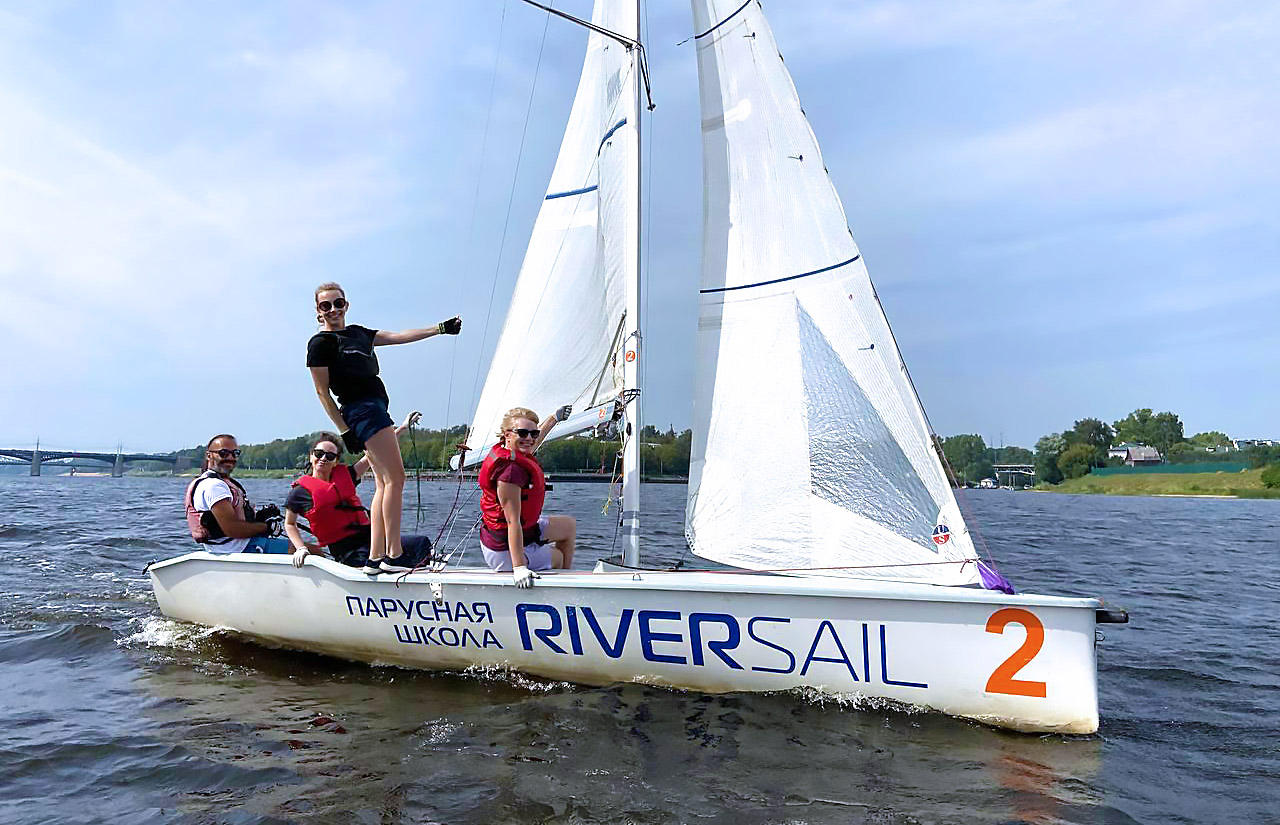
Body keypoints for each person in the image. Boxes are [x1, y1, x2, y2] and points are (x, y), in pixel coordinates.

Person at [306, 282, 460, 571]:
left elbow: (398, 336)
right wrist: (345, 431)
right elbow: (322, 393)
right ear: (318, 311)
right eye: (326, 306)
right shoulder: (320, 344)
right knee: (395, 480)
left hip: (375, 408)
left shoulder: (359, 334)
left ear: (346, 305)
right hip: (361, 411)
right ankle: (394, 554)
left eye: (338, 304)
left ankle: (376, 557)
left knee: (383, 484)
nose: (333, 310)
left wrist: (440, 328)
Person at [283, 420, 435, 574]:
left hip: (373, 541)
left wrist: (402, 428)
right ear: (311, 456)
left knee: (421, 544)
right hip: (349, 552)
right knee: (380, 562)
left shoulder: (347, 475)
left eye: (329, 456)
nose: (323, 458)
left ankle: (420, 582)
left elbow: (376, 450)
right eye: (318, 454)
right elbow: (289, 524)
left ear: (336, 461)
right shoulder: (299, 492)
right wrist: (300, 548)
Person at [478, 405, 577, 587]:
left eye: (534, 433)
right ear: (507, 435)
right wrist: (519, 568)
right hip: (503, 550)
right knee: (558, 557)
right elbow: (512, 521)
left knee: (568, 526)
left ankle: (553, 570)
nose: (529, 438)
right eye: (523, 433)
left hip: (522, 532)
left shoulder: (512, 450)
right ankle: (562, 591)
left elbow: (532, 442)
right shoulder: (510, 473)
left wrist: (554, 418)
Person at [184, 434, 290, 554]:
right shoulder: (213, 486)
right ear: (209, 455)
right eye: (224, 453)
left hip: (243, 545)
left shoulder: (221, 482)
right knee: (308, 550)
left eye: (235, 453)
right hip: (240, 550)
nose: (230, 457)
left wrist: (259, 518)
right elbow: (233, 529)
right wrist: (266, 527)